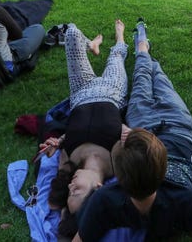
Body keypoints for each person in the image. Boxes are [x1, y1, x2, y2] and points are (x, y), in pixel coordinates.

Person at [77, 22, 192, 242]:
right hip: (177, 127)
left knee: (143, 77)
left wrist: (131, 135)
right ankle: (143, 47)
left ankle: (143, 48)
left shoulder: (105, 200)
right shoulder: (185, 198)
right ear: (164, 168)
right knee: (160, 78)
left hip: (144, 123)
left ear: (118, 179)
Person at [44, 21, 130, 236]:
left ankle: (91, 44)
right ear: (99, 188)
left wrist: (57, 141)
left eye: (69, 194)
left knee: (71, 31)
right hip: (112, 92)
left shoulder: (69, 161)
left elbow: (72, 129)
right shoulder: (117, 160)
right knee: (116, 57)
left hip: (80, 93)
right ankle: (120, 35)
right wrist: (130, 132)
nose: (70, 188)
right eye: (77, 192)